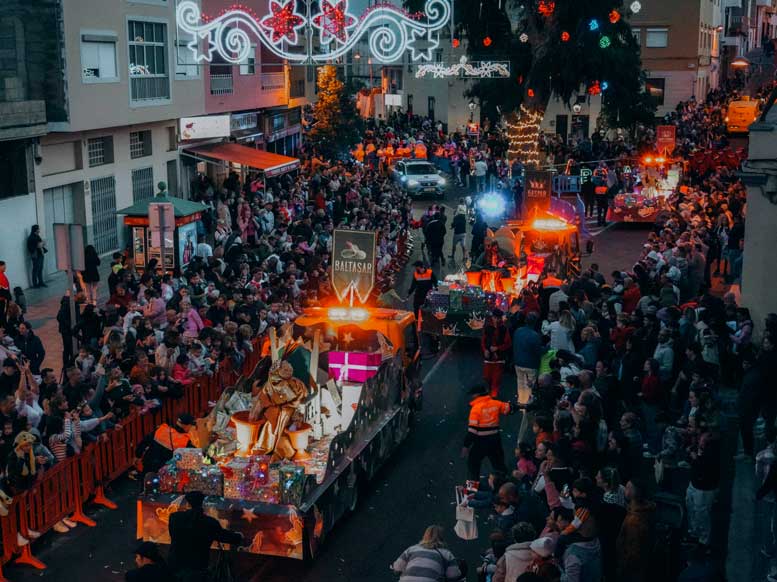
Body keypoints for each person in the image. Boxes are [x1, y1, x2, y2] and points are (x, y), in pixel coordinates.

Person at [168, 491, 243, 580]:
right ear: (202, 503)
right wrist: (239, 536)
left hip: (175, 566)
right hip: (197, 568)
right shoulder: (209, 522)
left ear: (187, 503)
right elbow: (224, 536)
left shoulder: (175, 518)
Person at [463, 383, 512, 480]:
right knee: (499, 464)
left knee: (473, 465)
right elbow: (508, 409)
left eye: (472, 395)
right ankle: (504, 485)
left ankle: (472, 490)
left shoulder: (476, 409)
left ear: (476, 395)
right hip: (495, 441)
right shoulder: (496, 403)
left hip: (481, 442)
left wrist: (466, 446)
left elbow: (472, 431)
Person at [615, 480, 655, 582]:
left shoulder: (634, 521)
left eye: (628, 487)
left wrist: (622, 567)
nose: (625, 489)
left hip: (632, 569)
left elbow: (632, 550)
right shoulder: (646, 510)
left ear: (633, 493)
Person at [391, 525, 462, 581]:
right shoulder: (447, 554)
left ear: (425, 535)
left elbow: (397, 568)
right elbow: (453, 575)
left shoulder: (412, 549)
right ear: (442, 538)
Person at [513, 312, 544, 405]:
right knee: (530, 386)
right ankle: (528, 404)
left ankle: (521, 401)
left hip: (518, 362)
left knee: (520, 383)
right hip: (531, 365)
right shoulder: (535, 335)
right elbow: (538, 351)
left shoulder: (518, 331)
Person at [482, 309, 511, 397]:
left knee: (496, 379)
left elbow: (508, 343)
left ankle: (493, 396)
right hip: (488, 359)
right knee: (487, 377)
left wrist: (497, 348)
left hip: (499, 359)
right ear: (492, 318)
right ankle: (488, 393)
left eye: (498, 318)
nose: (497, 320)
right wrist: (485, 350)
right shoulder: (487, 328)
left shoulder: (504, 329)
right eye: (495, 318)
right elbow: (483, 341)